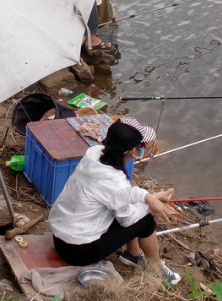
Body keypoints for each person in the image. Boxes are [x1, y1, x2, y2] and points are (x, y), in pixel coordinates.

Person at [49, 117, 182, 285]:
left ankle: (133, 255)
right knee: (145, 221)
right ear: (133, 151)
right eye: (140, 148)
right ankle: (156, 268)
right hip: (78, 251)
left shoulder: (94, 153)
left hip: (60, 238)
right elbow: (127, 218)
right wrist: (151, 205)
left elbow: (116, 195)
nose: (142, 150)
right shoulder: (116, 182)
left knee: (134, 208)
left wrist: (150, 197)